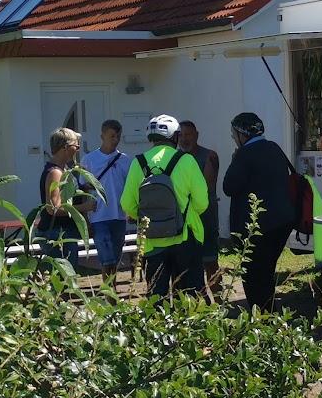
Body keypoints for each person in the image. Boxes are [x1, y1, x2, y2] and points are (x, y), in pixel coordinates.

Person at [120, 114, 209, 297]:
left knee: (156, 297)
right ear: (174, 136)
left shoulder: (139, 163)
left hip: (152, 241)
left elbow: (127, 204)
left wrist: (149, 216)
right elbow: (202, 202)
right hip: (185, 237)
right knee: (188, 296)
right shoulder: (186, 160)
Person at [223, 112, 295, 311]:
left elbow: (228, 187)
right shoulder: (274, 148)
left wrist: (234, 160)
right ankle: (268, 312)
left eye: (233, 133)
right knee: (266, 270)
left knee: (253, 275)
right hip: (282, 222)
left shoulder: (244, 154)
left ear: (241, 134)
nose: (232, 137)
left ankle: (261, 316)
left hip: (257, 226)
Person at [80, 118, 132, 283]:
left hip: (119, 215)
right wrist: (85, 217)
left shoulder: (125, 160)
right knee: (106, 258)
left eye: (118, 136)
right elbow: (82, 190)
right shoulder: (89, 160)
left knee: (115, 258)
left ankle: (112, 289)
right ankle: (109, 292)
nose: (115, 140)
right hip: (98, 216)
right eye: (111, 136)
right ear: (102, 136)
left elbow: (129, 188)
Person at [34, 126, 93, 270]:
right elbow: (53, 208)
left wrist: (83, 188)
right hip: (56, 233)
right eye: (75, 145)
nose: (78, 149)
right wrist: (85, 207)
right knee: (64, 279)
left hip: (64, 231)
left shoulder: (64, 170)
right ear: (65, 147)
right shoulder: (55, 173)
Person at [178, 120, 221, 286]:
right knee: (187, 265)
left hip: (206, 218)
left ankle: (218, 302)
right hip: (184, 221)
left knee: (210, 262)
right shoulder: (175, 158)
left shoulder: (209, 155)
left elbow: (205, 186)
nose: (184, 139)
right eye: (180, 135)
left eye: (188, 134)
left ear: (196, 135)